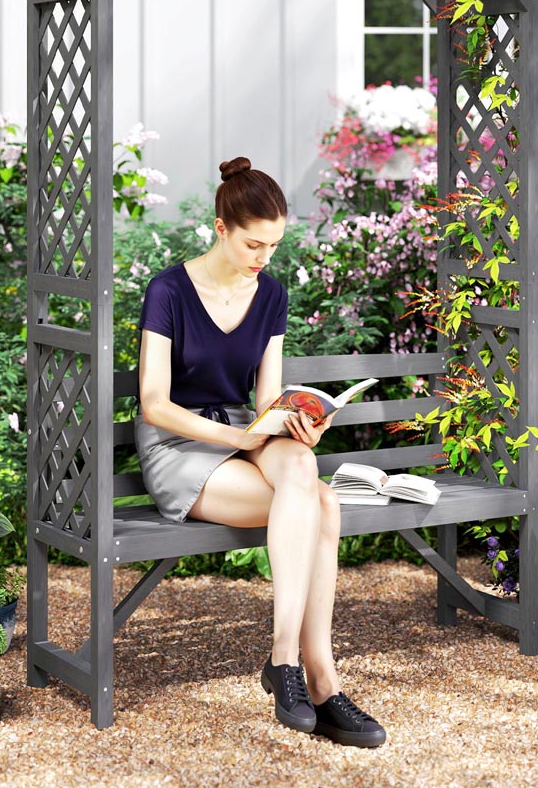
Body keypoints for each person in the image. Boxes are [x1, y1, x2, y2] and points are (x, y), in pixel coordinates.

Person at [135, 157, 387, 749]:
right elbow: (153, 404)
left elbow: (266, 397)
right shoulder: (168, 290)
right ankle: (313, 676)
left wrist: (299, 423)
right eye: (254, 243)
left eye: (273, 245)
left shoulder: (270, 293)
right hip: (181, 445)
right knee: (323, 506)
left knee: (303, 465)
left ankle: (291, 667)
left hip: (248, 433)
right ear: (220, 228)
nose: (263, 258)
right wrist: (242, 439)